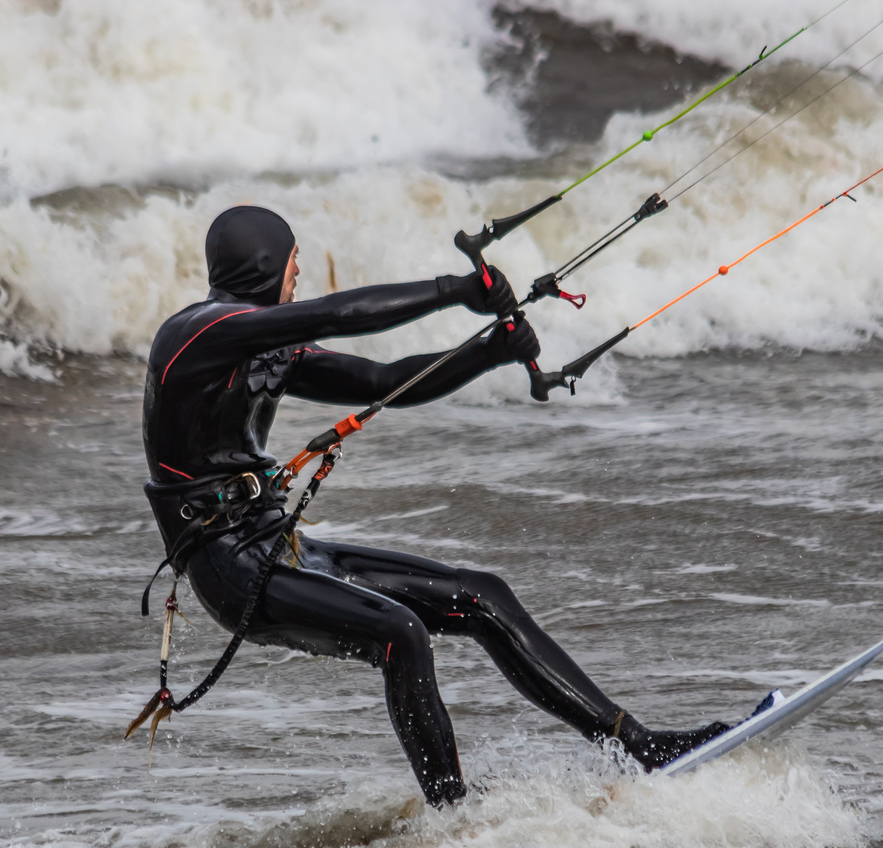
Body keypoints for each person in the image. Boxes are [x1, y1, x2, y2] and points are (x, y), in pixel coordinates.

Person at [141, 205, 733, 806]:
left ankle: (639, 747)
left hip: (277, 544)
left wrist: (487, 354)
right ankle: (453, 818)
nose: (298, 278)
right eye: (294, 264)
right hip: (228, 566)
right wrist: (456, 291)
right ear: (266, 264)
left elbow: (382, 381)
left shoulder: (267, 347)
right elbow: (332, 315)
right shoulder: (198, 334)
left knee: (482, 595)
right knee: (400, 632)